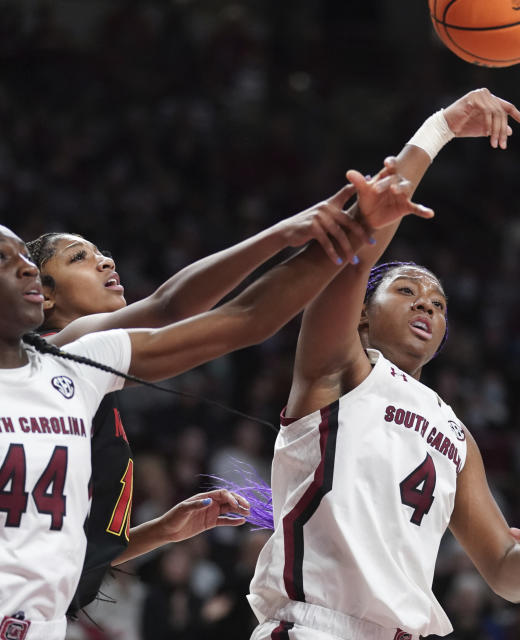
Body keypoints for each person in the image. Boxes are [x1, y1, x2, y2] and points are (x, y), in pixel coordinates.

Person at [0, 166, 430, 640]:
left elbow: (240, 319)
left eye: (25, 256)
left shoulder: (76, 368)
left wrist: (354, 231)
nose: (25, 267)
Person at [245, 89, 520, 640]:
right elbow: (356, 248)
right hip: (317, 628)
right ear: (362, 318)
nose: (427, 302)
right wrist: (441, 128)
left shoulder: (456, 433)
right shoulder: (341, 369)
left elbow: (506, 576)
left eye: (439, 303)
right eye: (407, 291)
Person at [25, 194, 390, 615]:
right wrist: (283, 235)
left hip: (35, 611)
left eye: (102, 254)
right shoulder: (50, 351)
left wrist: (162, 531)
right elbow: (179, 308)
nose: (105, 261)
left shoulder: (84, 382)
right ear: (44, 296)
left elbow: (73, 550)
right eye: (78, 258)